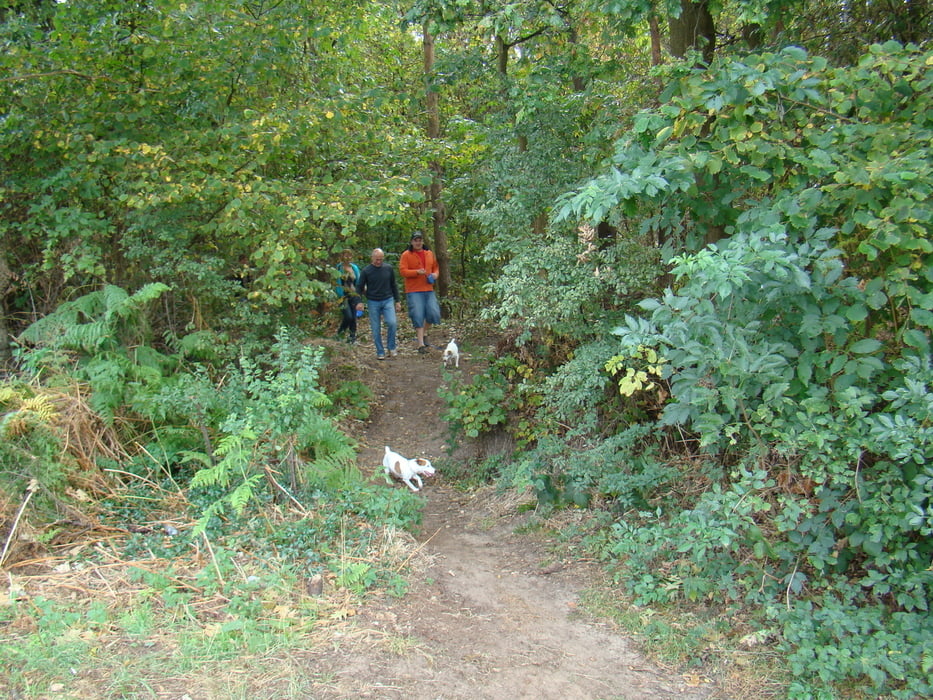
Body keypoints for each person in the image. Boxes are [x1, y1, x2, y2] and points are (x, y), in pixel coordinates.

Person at [399, 231, 442, 353]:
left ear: (422, 241)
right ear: (412, 242)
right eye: (415, 240)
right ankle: (420, 345)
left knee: (434, 313)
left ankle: (423, 333)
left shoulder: (429, 254)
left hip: (428, 289)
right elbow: (402, 271)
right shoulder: (406, 255)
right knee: (417, 315)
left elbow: (436, 267)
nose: (418, 242)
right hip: (413, 290)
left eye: (420, 240)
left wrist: (435, 275)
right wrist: (416, 272)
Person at [355, 248, 402, 360]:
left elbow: (394, 285)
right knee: (376, 328)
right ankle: (380, 351)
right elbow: (359, 287)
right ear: (372, 258)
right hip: (373, 301)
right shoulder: (366, 271)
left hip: (388, 299)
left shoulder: (388, 269)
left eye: (380, 259)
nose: (378, 262)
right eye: (376, 259)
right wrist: (359, 301)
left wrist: (398, 301)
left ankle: (391, 347)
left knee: (392, 323)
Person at [334, 249, 361, 344]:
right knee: (348, 316)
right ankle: (340, 333)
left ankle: (352, 337)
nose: (347, 258)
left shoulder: (354, 268)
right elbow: (336, 283)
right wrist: (339, 295)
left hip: (353, 295)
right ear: (342, 257)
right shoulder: (339, 268)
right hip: (343, 296)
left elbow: (359, 281)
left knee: (353, 317)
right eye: (345, 256)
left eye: (349, 256)